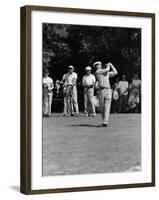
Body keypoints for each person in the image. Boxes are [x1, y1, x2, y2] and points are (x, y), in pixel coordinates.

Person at [94, 61, 118, 127]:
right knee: (101, 107)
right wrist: (109, 65)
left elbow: (116, 72)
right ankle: (104, 121)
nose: (97, 66)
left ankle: (105, 122)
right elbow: (107, 69)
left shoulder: (106, 73)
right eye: (96, 65)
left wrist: (111, 64)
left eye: (98, 65)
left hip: (108, 90)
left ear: (101, 65)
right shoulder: (98, 72)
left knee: (107, 106)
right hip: (101, 90)